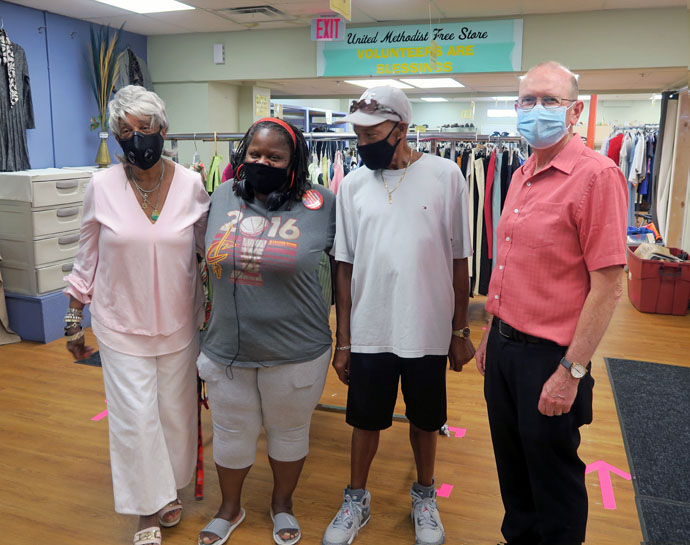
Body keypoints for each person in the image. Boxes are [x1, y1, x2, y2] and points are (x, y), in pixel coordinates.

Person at [474, 61, 628, 545]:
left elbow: (607, 286)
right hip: (503, 348)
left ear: (575, 110)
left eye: (550, 100)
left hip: (551, 358)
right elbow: (511, 265)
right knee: (512, 466)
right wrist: (488, 333)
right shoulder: (521, 173)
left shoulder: (596, 177)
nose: (535, 110)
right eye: (526, 100)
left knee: (553, 477)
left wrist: (571, 371)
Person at [322, 86, 475, 545]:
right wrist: (343, 340)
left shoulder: (447, 176)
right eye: (358, 135)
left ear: (402, 129)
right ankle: (356, 498)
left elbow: (460, 259)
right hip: (370, 327)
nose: (363, 142)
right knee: (363, 419)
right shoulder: (351, 185)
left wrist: (460, 329)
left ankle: (425, 495)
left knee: (427, 419)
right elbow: (344, 267)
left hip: (426, 326)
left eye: (373, 133)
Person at [63, 85, 210, 545]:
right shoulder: (101, 186)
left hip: (179, 323)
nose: (135, 137)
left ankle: (167, 492)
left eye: (144, 128)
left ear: (162, 129)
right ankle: (146, 508)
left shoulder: (191, 184)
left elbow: (208, 252)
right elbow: (86, 255)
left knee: (174, 415)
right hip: (119, 323)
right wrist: (74, 317)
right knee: (134, 418)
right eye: (125, 131)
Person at [197, 117, 336, 545]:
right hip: (227, 347)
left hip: (298, 349)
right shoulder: (220, 197)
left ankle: (282, 504)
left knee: (288, 432)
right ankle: (229, 508)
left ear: (294, 163)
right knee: (232, 433)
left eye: (275, 157)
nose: (262, 162)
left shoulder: (323, 203)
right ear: (241, 156)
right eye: (255, 154)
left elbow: (347, 272)